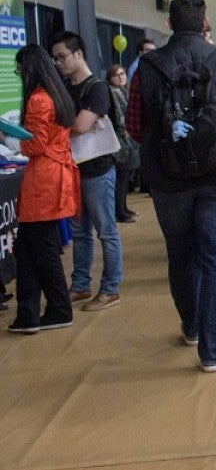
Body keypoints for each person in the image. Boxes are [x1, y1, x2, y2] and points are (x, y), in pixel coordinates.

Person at [126, 0, 216, 373]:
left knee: (181, 255)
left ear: (168, 22)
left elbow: (134, 127)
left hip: (168, 181)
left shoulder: (148, 66)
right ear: (205, 23)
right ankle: (214, 352)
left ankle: (192, 327)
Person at [5, 45, 81, 334]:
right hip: (53, 175)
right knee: (28, 249)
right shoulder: (56, 94)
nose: (19, 74)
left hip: (44, 180)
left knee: (43, 250)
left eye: (20, 69)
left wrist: (7, 138)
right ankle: (29, 313)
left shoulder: (38, 100)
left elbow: (35, 145)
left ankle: (58, 309)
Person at [51, 31, 125, 312]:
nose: (59, 63)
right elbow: (70, 122)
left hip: (97, 168)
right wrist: (68, 123)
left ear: (78, 53)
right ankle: (80, 285)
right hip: (72, 168)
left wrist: (63, 124)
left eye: (63, 57)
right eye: (55, 59)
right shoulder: (63, 87)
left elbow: (80, 126)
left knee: (106, 230)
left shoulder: (97, 88)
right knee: (80, 232)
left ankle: (111, 287)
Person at [106, 64, 137, 222]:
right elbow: (119, 117)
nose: (121, 77)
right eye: (117, 75)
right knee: (121, 177)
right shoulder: (114, 92)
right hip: (120, 139)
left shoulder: (127, 91)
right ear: (110, 78)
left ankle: (123, 207)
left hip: (129, 138)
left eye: (123, 74)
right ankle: (120, 211)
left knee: (126, 177)